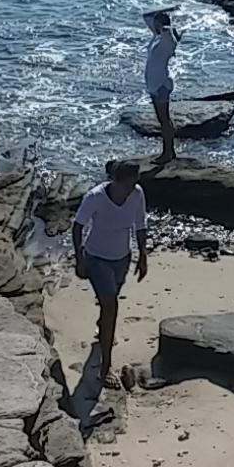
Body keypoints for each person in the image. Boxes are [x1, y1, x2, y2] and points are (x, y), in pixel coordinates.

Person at [73, 160, 149, 389]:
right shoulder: (95, 197)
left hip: (122, 258)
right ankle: (105, 368)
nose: (129, 190)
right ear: (114, 181)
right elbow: (77, 226)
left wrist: (143, 255)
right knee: (111, 306)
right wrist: (79, 259)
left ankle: (103, 327)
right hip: (96, 258)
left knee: (109, 302)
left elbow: (140, 224)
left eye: (132, 184)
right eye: (125, 185)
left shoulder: (137, 194)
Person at [143, 9, 181, 163]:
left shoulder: (168, 39)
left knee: (164, 121)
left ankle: (167, 153)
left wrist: (166, 24)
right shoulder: (157, 37)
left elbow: (168, 30)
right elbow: (146, 16)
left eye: (157, 23)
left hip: (161, 85)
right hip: (154, 85)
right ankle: (169, 151)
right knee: (162, 120)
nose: (154, 24)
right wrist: (166, 10)